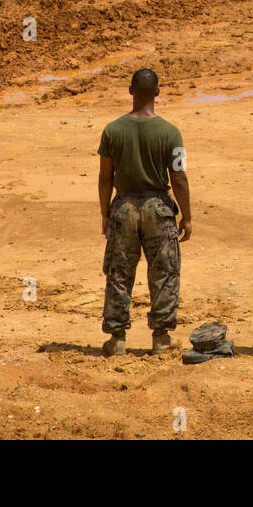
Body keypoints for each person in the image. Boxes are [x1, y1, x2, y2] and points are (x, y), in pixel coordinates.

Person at [96, 68, 192, 356]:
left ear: (130, 91)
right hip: (158, 209)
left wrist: (105, 213)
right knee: (163, 272)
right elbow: (178, 177)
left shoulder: (112, 130)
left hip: (123, 207)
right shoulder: (171, 132)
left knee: (119, 273)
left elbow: (105, 178)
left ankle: (117, 339)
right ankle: (161, 338)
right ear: (158, 93)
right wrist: (186, 216)